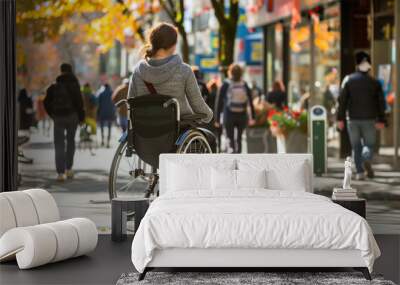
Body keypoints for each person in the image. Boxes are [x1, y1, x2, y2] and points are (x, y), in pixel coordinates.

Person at [128, 22, 212, 124]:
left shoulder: (138, 71)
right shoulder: (184, 71)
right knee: (210, 138)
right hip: (178, 129)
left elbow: (130, 104)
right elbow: (198, 106)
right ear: (173, 45)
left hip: (145, 130)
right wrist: (209, 116)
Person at [337, 51, 386, 180]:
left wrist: (339, 118)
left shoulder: (348, 80)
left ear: (356, 64)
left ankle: (359, 172)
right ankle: (366, 157)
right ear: (369, 65)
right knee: (369, 144)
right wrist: (382, 119)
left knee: (356, 146)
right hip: (370, 119)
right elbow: (381, 102)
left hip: (352, 119)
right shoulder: (375, 82)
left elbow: (342, 101)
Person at [44, 63, 85, 181]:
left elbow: (46, 102)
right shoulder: (74, 83)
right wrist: (81, 118)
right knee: (71, 142)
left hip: (58, 117)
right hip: (72, 116)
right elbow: (79, 101)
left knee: (59, 144)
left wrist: (52, 114)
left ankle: (60, 173)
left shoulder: (55, 85)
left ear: (61, 71)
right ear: (71, 70)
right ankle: (69, 169)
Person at [215, 63, 256, 153]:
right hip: (242, 114)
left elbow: (219, 102)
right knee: (239, 138)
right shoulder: (244, 84)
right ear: (241, 73)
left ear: (230, 72)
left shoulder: (225, 84)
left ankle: (232, 153)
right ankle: (239, 154)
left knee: (230, 138)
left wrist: (217, 119)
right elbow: (250, 101)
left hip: (229, 114)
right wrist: (253, 117)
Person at [97, 83, 115, 148]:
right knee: (109, 127)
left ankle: (102, 140)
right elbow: (114, 102)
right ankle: (108, 142)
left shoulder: (101, 93)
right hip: (110, 112)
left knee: (102, 127)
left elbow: (98, 103)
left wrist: (97, 113)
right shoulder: (112, 92)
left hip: (102, 112)